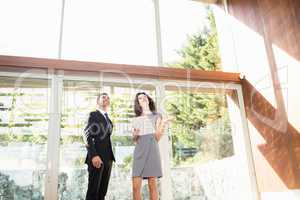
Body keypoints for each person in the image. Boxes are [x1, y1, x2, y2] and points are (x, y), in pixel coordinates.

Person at [131, 92, 171, 200]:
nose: (143, 99)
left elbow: (157, 137)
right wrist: (135, 135)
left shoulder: (157, 116)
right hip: (139, 152)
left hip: (152, 151)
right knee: (135, 187)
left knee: (152, 185)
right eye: (140, 98)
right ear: (138, 102)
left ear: (148, 99)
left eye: (144, 97)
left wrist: (162, 125)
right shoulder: (136, 118)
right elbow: (135, 140)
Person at [83, 93, 115, 200]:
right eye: (103, 97)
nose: (106, 99)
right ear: (97, 102)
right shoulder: (93, 115)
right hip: (97, 159)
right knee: (93, 192)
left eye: (108, 98)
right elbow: (87, 135)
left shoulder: (109, 120)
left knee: (102, 193)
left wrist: (110, 159)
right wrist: (94, 155)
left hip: (108, 160)